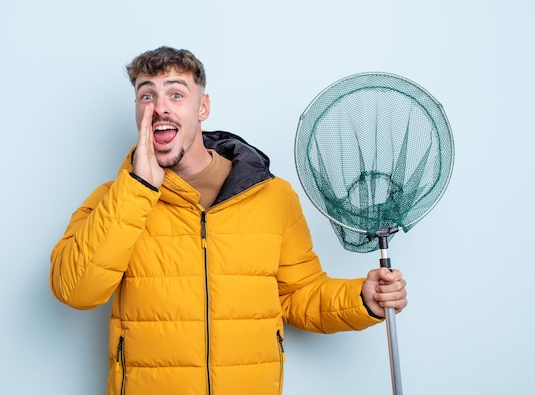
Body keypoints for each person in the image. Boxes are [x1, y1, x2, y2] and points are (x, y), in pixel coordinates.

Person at [50, 46, 408, 395]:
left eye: (176, 94)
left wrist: (360, 298)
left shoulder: (272, 197)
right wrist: (138, 189)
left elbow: (298, 295)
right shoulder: (114, 200)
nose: (159, 108)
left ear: (202, 107)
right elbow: (75, 290)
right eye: (147, 96)